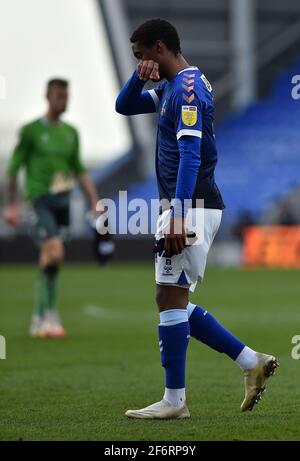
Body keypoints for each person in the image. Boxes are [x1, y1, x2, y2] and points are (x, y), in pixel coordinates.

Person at [115, 18, 278, 419]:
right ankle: (251, 361)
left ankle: (175, 401)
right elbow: (123, 106)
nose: (140, 63)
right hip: (190, 205)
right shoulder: (172, 86)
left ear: (158, 47)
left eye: (141, 56)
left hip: (192, 206)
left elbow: (191, 154)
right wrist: (138, 78)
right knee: (170, 297)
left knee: (169, 296)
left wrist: (178, 215)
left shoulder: (186, 88)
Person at [4, 78, 101, 338]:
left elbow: (79, 170)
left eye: (66, 96)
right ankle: (49, 316)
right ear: (48, 97)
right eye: (59, 96)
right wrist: (11, 204)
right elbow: (13, 168)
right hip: (40, 199)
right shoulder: (31, 131)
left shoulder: (71, 133)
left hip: (63, 201)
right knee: (54, 252)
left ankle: (40, 318)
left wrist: (94, 200)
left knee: (52, 259)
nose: (64, 100)